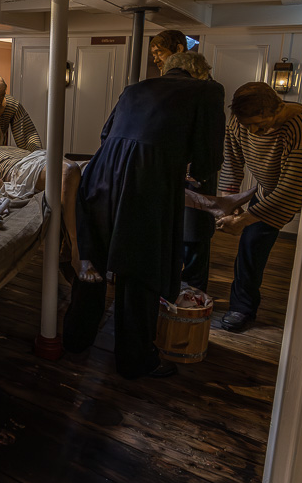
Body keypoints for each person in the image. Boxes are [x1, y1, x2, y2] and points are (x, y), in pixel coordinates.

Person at [66, 56, 225, 378]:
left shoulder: (134, 89)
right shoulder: (208, 90)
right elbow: (209, 155)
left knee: (91, 264)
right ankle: (135, 360)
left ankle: (75, 339)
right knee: (139, 272)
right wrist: (190, 173)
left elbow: (106, 133)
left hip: (101, 175)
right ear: (200, 73)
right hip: (145, 182)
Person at [205, 81, 302, 333]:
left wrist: (243, 221)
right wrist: (230, 204)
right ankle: (242, 308)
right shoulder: (238, 122)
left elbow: (291, 189)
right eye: (247, 126)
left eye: (260, 125)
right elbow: (232, 163)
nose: (253, 131)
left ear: (278, 108)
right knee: (251, 245)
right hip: (268, 190)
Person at [0, 117, 82, 272]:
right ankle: (77, 248)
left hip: (40, 156)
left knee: (89, 173)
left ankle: (67, 247)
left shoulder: (10, 148)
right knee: (68, 171)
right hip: (21, 168)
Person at [164, 50, 219, 291]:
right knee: (175, 234)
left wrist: (199, 172)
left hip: (195, 173)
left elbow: (210, 141)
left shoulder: (209, 91)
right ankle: (176, 289)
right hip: (176, 172)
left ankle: (193, 292)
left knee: (195, 233)